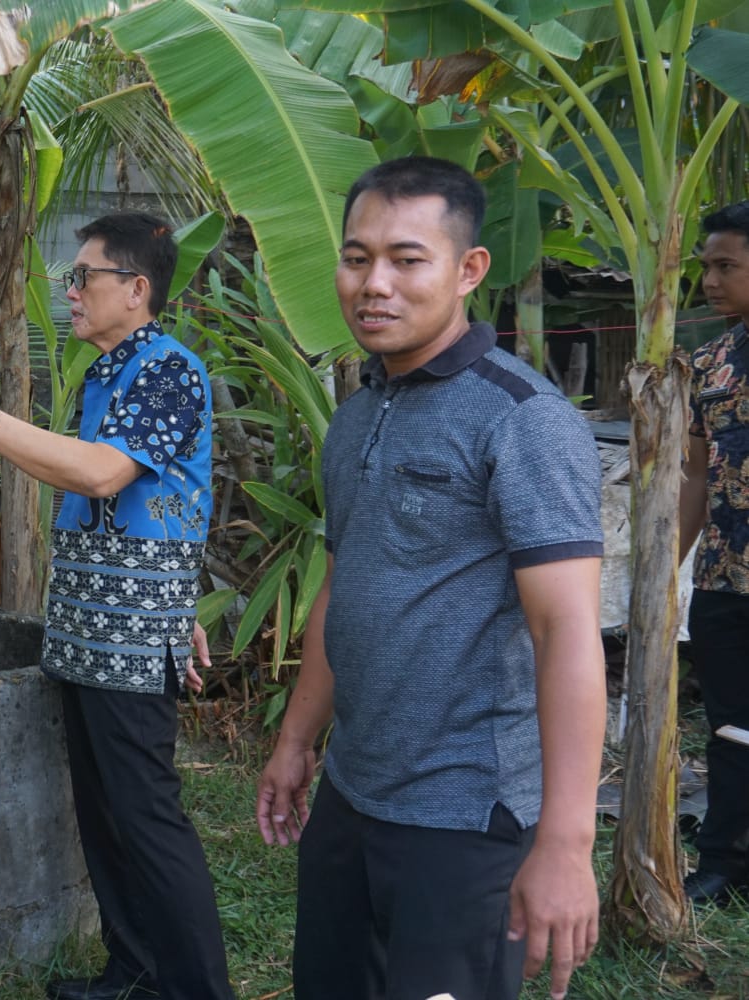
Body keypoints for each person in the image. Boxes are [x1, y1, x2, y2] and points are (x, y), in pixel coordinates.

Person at [256, 157, 605, 1000]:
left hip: (464, 814)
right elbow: (348, 588)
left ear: (467, 269)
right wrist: (299, 741)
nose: (374, 283)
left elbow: (568, 631)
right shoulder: (358, 413)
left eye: (408, 259)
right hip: (354, 790)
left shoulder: (522, 421)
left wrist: (564, 845)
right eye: (356, 256)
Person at [0, 213, 232, 1000]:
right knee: (104, 816)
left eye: (85, 277)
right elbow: (161, 500)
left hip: (131, 643)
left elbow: (103, 474)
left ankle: (201, 991)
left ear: (136, 290)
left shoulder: (169, 369)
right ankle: (133, 974)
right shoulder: (108, 374)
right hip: (90, 632)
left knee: (146, 820)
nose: (70, 291)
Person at [678, 201, 749, 905]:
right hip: (725, 581)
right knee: (730, 727)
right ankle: (726, 861)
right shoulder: (711, 363)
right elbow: (696, 474)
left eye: (726, 266)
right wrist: (667, 561)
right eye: (706, 266)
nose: (709, 280)